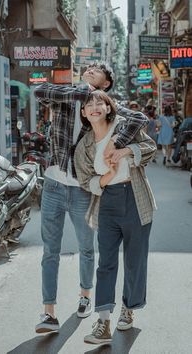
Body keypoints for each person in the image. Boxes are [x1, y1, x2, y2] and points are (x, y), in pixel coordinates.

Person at [34, 63, 149, 334]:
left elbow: (138, 119)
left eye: (97, 70)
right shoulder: (68, 96)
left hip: (83, 189)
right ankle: (48, 313)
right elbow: (39, 90)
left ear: (106, 83)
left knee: (88, 249)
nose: (89, 70)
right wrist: (80, 92)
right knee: (50, 250)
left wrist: (117, 143)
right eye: (88, 67)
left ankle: (86, 296)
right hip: (53, 183)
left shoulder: (107, 106)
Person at [74, 90, 156, 344]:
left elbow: (150, 147)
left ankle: (129, 309)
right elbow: (87, 181)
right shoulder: (85, 145)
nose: (95, 107)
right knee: (106, 263)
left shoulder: (123, 128)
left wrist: (125, 150)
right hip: (107, 202)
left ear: (109, 108)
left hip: (136, 198)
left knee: (135, 261)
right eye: (89, 105)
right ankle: (103, 322)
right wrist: (107, 177)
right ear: (84, 113)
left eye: (100, 102)